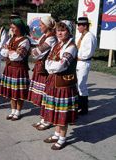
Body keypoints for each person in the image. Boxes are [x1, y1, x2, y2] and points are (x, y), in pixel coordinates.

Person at [42, 20, 78, 150]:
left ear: (69, 32)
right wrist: (51, 66)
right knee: (56, 109)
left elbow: (61, 65)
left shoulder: (71, 47)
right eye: (58, 30)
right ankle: (57, 134)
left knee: (62, 112)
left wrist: (51, 66)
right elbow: (47, 62)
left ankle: (62, 138)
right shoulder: (57, 45)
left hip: (64, 85)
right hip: (54, 82)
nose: (60, 32)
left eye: (63, 30)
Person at [28, 16, 57, 130]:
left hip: (45, 70)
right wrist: (34, 50)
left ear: (47, 26)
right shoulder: (44, 37)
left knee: (46, 95)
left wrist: (33, 50)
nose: (39, 27)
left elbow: (36, 53)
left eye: (41, 24)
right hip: (40, 67)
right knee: (41, 96)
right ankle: (43, 118)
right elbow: (36, 51)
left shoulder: (51, 39)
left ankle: (48, 120)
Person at [0, 18, 30, 121]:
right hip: (10, 68)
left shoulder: (25, 40)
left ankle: (18, 112)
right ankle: (12, 111)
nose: (11, 29)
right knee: (12, 92)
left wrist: (8, 51)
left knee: (19, 92)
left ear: (19, 28)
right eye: (11, 27)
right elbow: (2, 51)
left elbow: (18, 57)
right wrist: (11, 51)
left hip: (19, 69)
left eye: (13, 27)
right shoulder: (12, 38)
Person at [76, 17, 97, 115]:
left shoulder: (90, 36)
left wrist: (76, 57)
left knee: (81, 85)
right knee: (78, 84)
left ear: (85, 26)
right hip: (79, 62)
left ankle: (84, 108)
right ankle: (79, 105)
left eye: (79, 25)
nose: (78, 27)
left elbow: (88, 53)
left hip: (83, 63)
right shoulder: (82, 36)